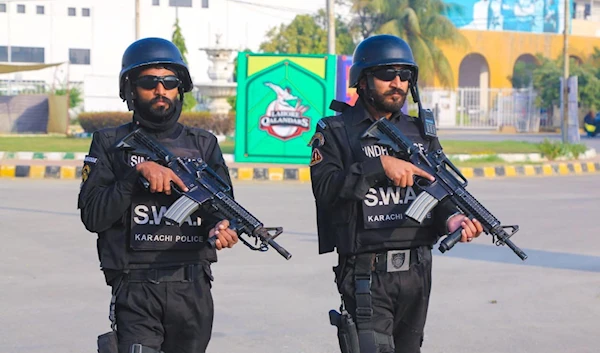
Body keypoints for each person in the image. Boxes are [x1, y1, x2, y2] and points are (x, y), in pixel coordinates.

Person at [309, 34, 484, 353]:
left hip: (417, 271)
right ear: (362, 81)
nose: (398, 83)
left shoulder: (421, 133)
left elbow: (439, 189)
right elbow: (325, 190)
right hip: (367, 271)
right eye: (387, 75)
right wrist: (378, 166)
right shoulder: (335, 130)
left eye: (405, 76)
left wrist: (454, 218)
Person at [77, 37, 239, 353]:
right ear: (130, 89)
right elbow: (93, 216)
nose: (160, 90)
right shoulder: (110, 143)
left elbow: (224, 207)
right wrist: (135, 175)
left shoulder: (203, 144)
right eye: (150, 82)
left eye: (169, 82)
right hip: (136, 287)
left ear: (181, 88)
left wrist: (224, 228)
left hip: (192, 287)